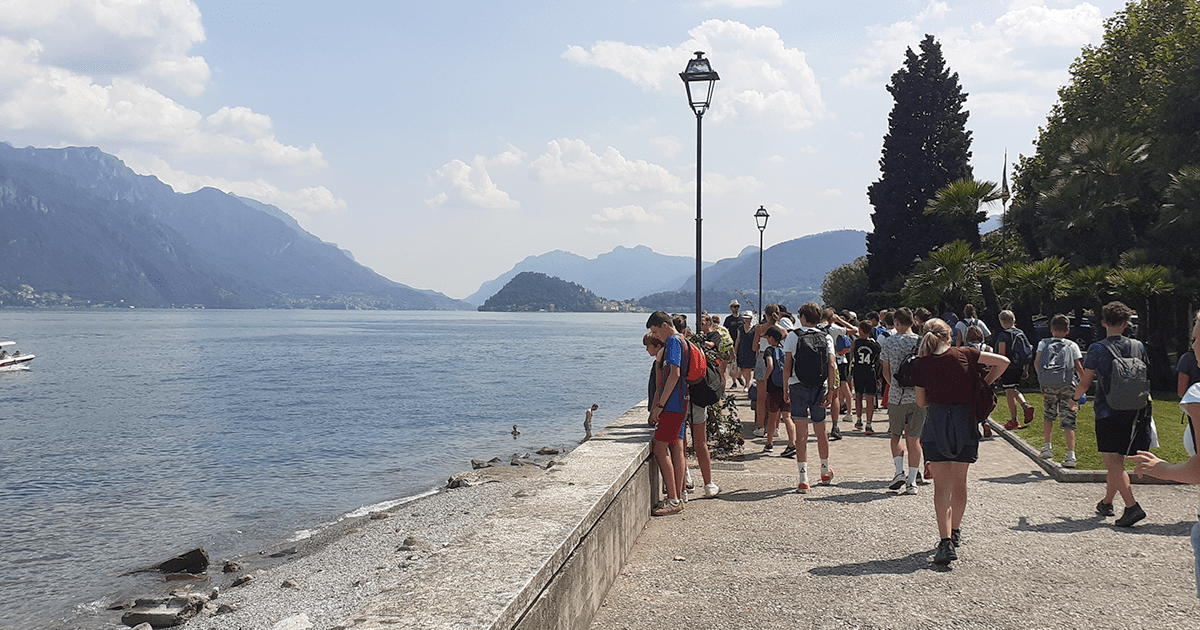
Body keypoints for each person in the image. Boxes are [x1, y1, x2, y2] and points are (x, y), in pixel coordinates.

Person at [911, 318, 1009, 565]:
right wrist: (982, 384)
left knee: (941, 487)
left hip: (936, 424)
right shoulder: (966, 353)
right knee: (960, 481)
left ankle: (944, 542)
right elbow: (1003, 362)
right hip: (964, 421)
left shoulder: (922, 364)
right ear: (950, 336)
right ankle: (955, 531)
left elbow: (922, 403)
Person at [1130, 309, 1200, 598]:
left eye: (1195, 337)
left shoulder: (1198, 396)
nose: (1192, 345)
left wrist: (1159, 468)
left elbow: (1198, 471)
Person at [1072, 301, 1152, 527]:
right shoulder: (1138, 346)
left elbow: (1085, 382)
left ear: (1104, 322)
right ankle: (1107, 502)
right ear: (1127, 324)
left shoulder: (1098, 349)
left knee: (1112, 461)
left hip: (1108, 410)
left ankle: (1132, 507)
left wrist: (1074, 399)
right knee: (1117, 459)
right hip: (1135, 409)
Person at [783, 302, 837, 493]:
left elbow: (787, 365)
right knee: (821, 430)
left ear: (803, 318)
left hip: (797, 385)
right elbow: (831, 365)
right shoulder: (826, 337)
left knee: (801, 432)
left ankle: (803, 477)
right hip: (819, 387)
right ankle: (824, 471)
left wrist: (785, 388)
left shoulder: (793, 336)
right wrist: (831, 389)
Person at [645, 311, 689, 516]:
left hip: (672, 405)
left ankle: (673, 499)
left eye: (655, 331)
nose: (656, 337)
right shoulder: (682, 339)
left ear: (664, 325)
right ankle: (678, 495)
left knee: (660, 448)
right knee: (677, 448)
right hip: (681, 403)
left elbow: (675, 374)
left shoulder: (672, 342)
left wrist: (660, 406)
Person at [879, 307, 925, 494]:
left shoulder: (889, 342)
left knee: (896, 435)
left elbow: (885, 370)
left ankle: (899, 472)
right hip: (918, 396)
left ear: (896, 322)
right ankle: (912, 481)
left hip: (897, 396)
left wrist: (894, 386)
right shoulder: (922, 342)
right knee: (914, 439)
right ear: (913, 322)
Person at [1034, 315, 1084, 468]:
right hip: (1067, 385)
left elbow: (1037, 363)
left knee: (1049, 415)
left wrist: (1043, 378)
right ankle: (1070, 455)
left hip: (1048, 385)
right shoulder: (1072, 345)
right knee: (1068, 419)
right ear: (1068, 330)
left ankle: (1047, 446)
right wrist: (1083, 385)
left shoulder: (1043, 343)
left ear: (1051, 329)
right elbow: (1078, 367)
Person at [995, 310, 1036, 430]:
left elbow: (1002, 353)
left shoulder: (1004, 335)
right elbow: (1027, 352)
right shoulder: (1020, 333)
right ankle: (1025, 406)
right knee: (1013, 389)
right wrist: (1025, 369)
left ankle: (1014, 420)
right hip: (1020, 366)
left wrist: (999, 369)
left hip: (1009, 366)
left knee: (1009, 393)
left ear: (1002, 321)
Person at [762, 326, 796, 458]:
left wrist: (765, 378)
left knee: (772, 416)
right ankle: (792, 444)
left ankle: (769, 444)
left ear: (771, 338)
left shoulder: (769, 350)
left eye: (767, 337)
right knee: (787, 417)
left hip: (774, 387)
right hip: (786, 386)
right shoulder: (784, 348)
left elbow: (770, 365)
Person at [752, 305, 782, 437]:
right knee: (776, 395)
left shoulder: (760, 328)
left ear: (766, 314)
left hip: (763, 358)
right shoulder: (782, 330)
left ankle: (760, 427)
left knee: (761, 397)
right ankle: (775, 427)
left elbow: (754, 347)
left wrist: (760, 345)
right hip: (777, 359)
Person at [851, 321, 882, 435]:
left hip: (858, 372)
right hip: (870, 371)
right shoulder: (874, 344)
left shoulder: (855, 343)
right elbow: (879, 359)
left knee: (858, 396)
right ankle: (869, 424)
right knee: (870, 399)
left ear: (860, 329)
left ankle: (859, 420)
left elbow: (851, 357)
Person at [724, 301, 745, 386]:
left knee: (740, 361)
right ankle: (734, 381)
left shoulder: (742, 318)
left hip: (742, 343)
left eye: (737, 306)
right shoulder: (728, 319)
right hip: (731, 342)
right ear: (731, 308)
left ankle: (739, 376)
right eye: (734, 306)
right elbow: (725, 331)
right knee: (732, 362)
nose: (736, 308)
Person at [736, 312, 756, 393]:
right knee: (742, 368)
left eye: (748, 318)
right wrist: (735, 349)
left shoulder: (754, 328)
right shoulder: (741, 328)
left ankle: (747, 385)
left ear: (751, 319)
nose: (746, 320)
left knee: (748, 368)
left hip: (750, 350)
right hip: (742, 349)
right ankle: (746, 381)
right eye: (745, 318)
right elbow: (738, 339)